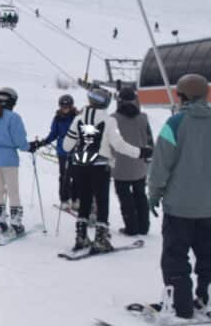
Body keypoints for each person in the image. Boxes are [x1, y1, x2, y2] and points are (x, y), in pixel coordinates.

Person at [148, 73, 211, 319]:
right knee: (207, 253)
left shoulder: (175, 125)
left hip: (178, 208)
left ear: (184, 96)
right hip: (209, 208)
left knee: (175, 256)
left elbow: (160, 166)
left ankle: (181, 303)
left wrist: (154, 193)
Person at [63, 86, 150, 252]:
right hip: (100, 166)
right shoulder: (109, 120)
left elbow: (67, 146)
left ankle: (81, 237)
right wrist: (140, 152)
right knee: (102, 201)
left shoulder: (78, 119)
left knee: (85, 200)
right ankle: (100, 238)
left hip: (81, 165)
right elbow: (119, 145)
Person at [0, 87, 30, 237]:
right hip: (8, 157)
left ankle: (0, 220)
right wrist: (29, 147)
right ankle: (16, 223)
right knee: (12, 189)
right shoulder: (13, 117)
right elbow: (20, 140)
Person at [109, 87, 154, 236]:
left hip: (120, 166)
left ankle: (131, 227)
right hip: (139, 165)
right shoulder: (143, 118)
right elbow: (149, 140)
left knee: (125, 197)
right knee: (140, 195)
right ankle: (144, 226)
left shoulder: (113, 118)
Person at [28, 94, 79, 210]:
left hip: (76, 151)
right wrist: (42, 143)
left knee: (77, 176)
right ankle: (64, 199)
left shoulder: (77, 117)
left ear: (71, 106)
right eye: (63, 106)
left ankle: (76, 198)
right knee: (65, 176)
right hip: (63, 151)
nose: (65, 108)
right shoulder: (58, 118)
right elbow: (53, 134)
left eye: (67, 106)